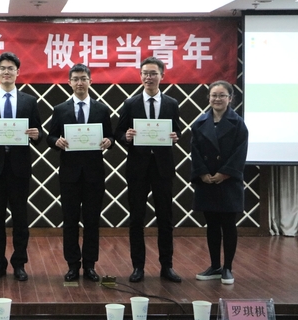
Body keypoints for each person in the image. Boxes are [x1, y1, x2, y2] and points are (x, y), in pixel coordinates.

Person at [0, 51, 44, 281]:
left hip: (19, 168)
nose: (6, 72)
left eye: (10, 68)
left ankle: (19, 264)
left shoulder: (29, 101)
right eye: (2, 68)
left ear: (17, 72)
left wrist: (36, 135)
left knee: (20, 219)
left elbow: (39, 133)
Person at [114, 56, 182, 283]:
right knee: (136, 219)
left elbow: (178, 131)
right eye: (145, 73)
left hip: (163, 168)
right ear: (140, 76)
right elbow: (118, 133)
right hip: (137, 168)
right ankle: (138, 267)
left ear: (162, 76)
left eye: (153, 73)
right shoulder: (130, 104)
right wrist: (127, 137)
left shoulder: (172, 103)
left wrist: (175, 136)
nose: (149, 77)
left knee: (165, 218)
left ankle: (167, 266)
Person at [47, 64, 114, 282]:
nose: (79, 83)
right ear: (69, 82)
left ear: (90, 82)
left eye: (83, 79)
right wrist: (56, 141)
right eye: (75, 79)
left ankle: (90, 265)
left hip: (94, 173)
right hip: (69, 174)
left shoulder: (102, 109)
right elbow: (50, 137)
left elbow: (111, 136)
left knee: (92, 221)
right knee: (70, 221)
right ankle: (72, 265)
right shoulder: (60, 109)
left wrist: (109, 141)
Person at [191, 80, 248, 285]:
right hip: (207, 182)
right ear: (208, 98)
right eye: (214, 95)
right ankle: (215, 266)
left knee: (229, 225)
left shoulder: (238, 123)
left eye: (222, 95)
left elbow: (240, 152)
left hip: (228, 182)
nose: (217, 99)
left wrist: (225, 173)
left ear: (230, 98)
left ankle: (228, 268)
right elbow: (195, 151)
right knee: (212, 225)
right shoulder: (199, 123)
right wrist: (202, 174)